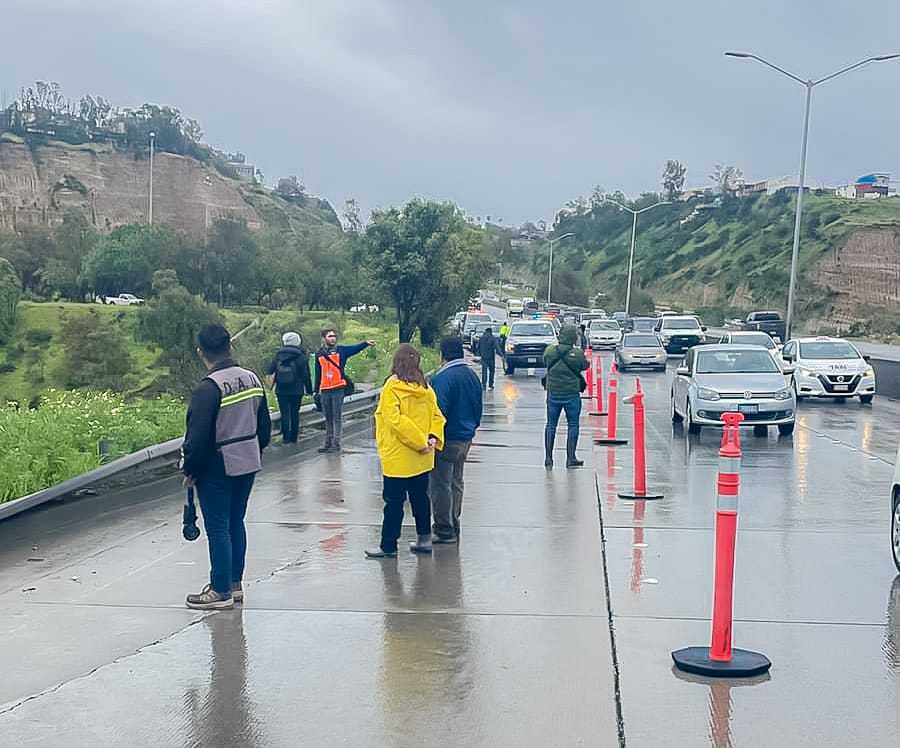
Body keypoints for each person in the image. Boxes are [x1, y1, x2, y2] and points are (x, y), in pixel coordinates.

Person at [181, 324, 272, 610]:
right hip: (248, 461)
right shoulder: (252, 379)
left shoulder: (208, 389)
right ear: (229, 346)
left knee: (218, 527)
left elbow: (197, 438)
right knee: (235, 522)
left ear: (201, 352)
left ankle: (220, 591)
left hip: (217, 466)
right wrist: (253, 450)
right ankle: (234, 584)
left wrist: (191, 470)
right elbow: (265, 427)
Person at [366, 344, 446, 558]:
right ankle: (424, 538)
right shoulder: (425, 388)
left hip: (398, 457)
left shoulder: (392, 387)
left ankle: (388, 545)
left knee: (393, 503)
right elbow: (437, 416)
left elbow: (395, 421)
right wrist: (431, 438)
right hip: (422, 457)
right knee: (421, 498)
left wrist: (419, 441)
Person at [429, 336, 482, 544]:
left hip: (447, 438)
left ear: (442, 354)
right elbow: (478, 408)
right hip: (466, 437)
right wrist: (472, 428)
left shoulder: (443, 378)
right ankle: (454, 521)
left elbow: (438, 412)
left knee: (441, 483)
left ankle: (443, 528)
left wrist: (433, 436)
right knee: (457, 481)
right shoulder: (471, 375)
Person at [314, 328, 375, 453]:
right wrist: (316, 390)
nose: (333, 338)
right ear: (324, 338)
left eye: (334, 336)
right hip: (325, 389)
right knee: (328, 417)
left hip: (338, 388)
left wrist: (365, 343)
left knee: (336, 417)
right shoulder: (319, 354)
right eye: (330, 336)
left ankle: (336, 444)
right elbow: (318, 373)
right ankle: (328, 443)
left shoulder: (341, 351)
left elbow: (354, 349)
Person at [543, 324, 589, 469]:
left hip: (553, 393)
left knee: (551, 425)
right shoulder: (577, 353)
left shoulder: (550, 351)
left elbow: (545, 361)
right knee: (573, 425)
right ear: (574, 337)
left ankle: (548, 457)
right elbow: (584, 366)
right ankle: (570, 458)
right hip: (571, 394)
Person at [266, 331, 312, 444]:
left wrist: (270, 386)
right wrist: (310, 390)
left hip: (281, 389)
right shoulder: (301, 356)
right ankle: (294, 437)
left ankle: (286, 437)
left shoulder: (278, 355)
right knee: (294, 413)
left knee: (284, 413)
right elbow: (306, 376)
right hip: (297, 390)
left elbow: (270, 370)